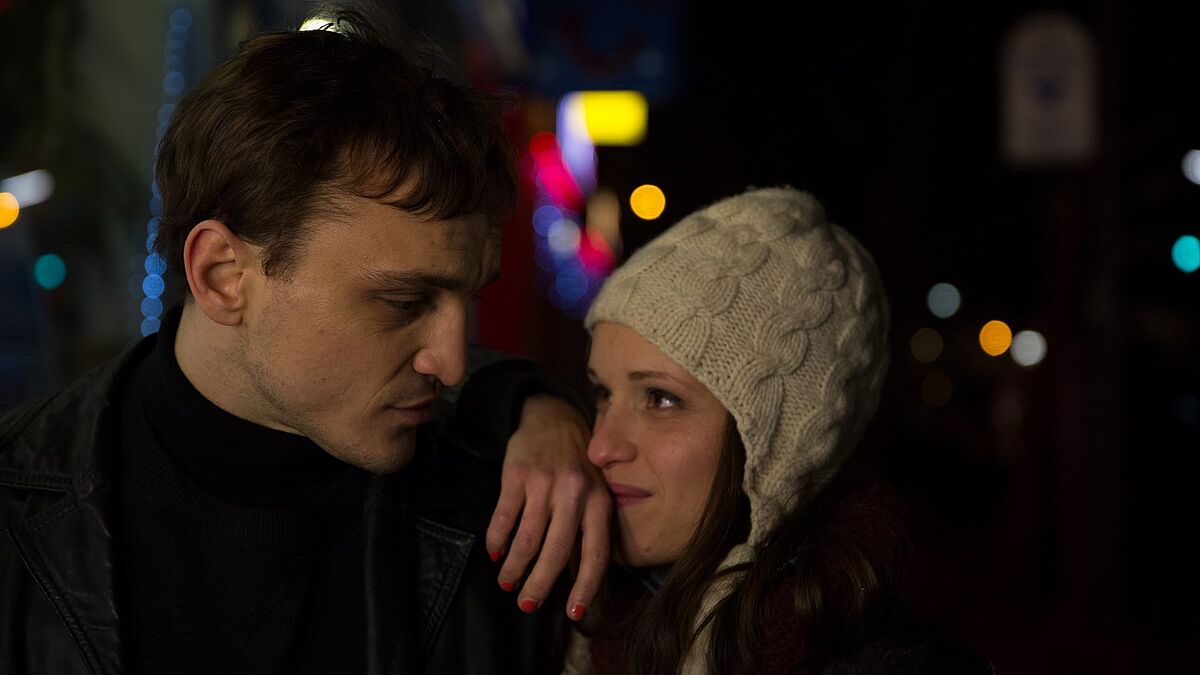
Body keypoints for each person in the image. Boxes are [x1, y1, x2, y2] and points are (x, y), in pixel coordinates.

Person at [0, 9, 611, 674]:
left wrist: (534, 402)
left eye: (467, 301)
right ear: (223, 275)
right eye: (403, 303)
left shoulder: (500, 508)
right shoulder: (18, 508)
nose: (450, 360)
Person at [567, 186, 993, 674]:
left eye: (662, 399)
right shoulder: (579, 609)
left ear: (777, 446)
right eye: (603, 393)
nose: (600, 447)